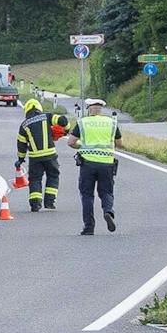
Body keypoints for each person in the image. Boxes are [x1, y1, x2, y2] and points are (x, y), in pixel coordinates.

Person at [67, 97, 122, 235]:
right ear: (101, 109)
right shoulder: (111, 123)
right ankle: (108, 211)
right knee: (107, 192)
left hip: (88, 164)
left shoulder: (83, 122)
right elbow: (120, 143)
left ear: (89, 109)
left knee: (87, 195)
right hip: (107, 164)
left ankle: (89, 227)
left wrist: (82, 145)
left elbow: (71, 142)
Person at [15, 98, 61, 213]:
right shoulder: (47, 117)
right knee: (53, 176)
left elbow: (21, 144)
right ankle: (50, 202)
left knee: (35, 179)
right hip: (50, 155)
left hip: (35, 158)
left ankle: (35, 204)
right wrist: (66, 130)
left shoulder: (24, 125)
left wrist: (20, 159)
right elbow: (63, 120)